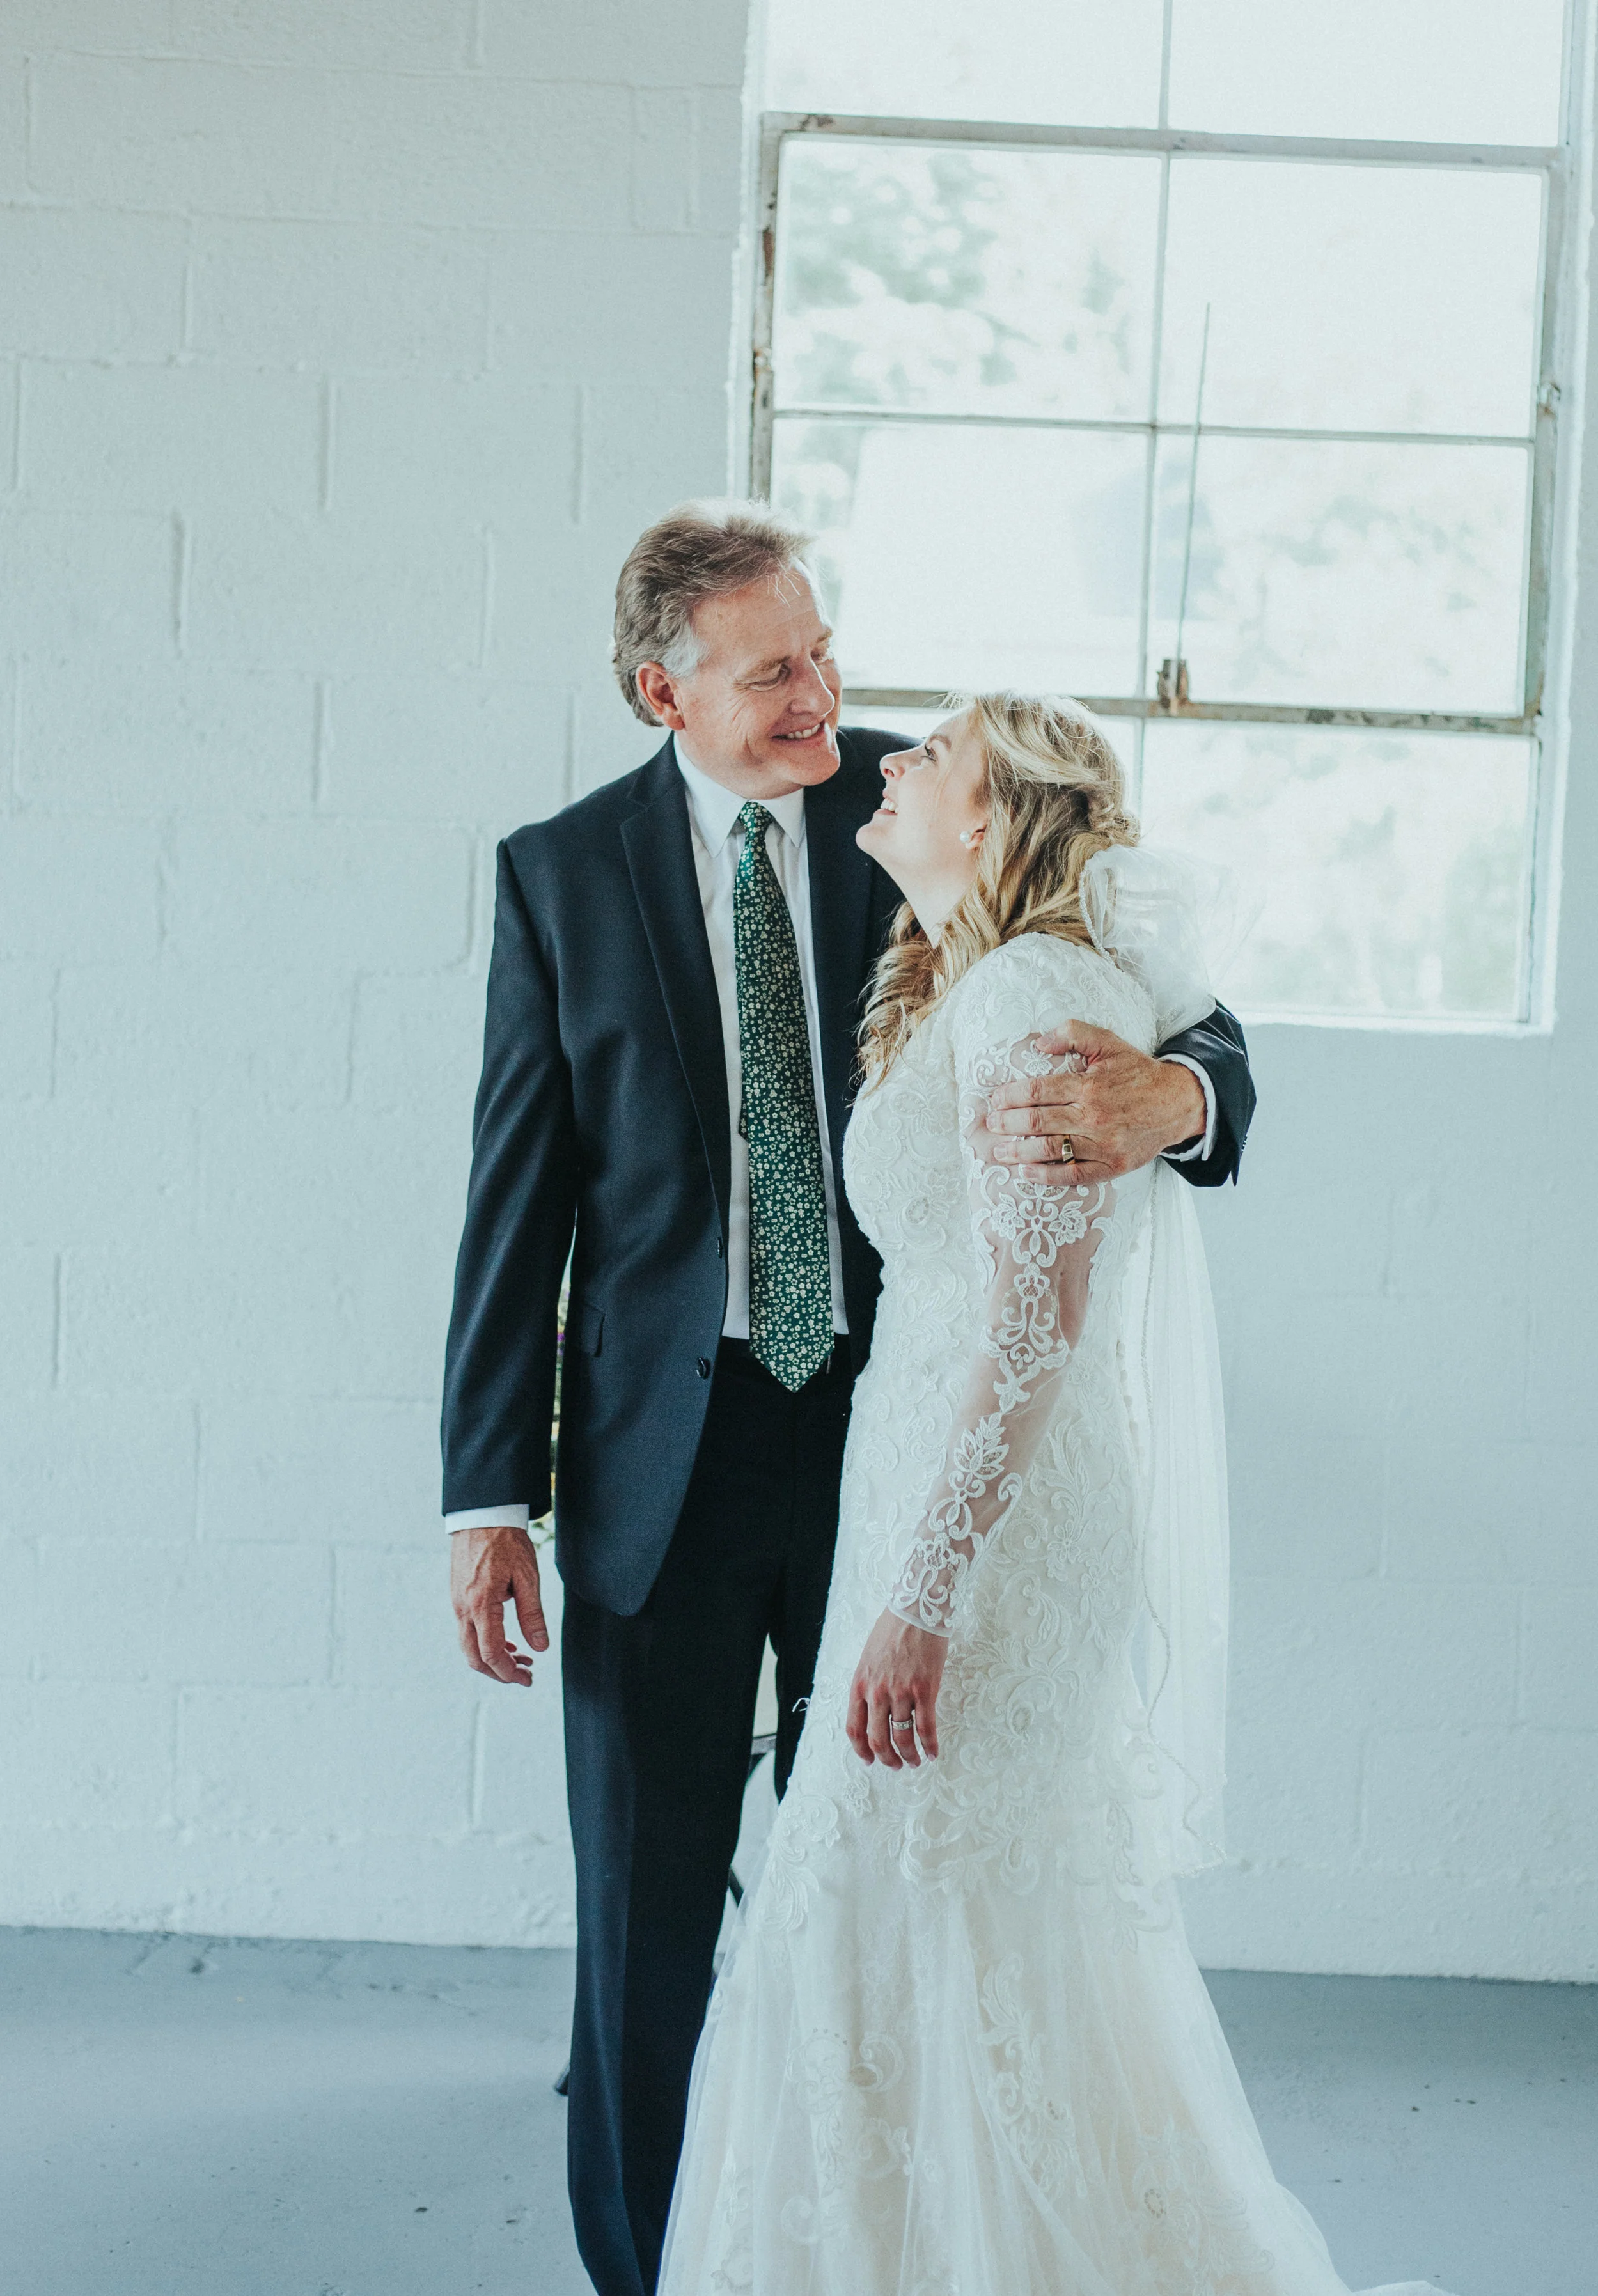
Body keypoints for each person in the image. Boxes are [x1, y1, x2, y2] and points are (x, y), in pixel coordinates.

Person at [439, 503, 1256, 2296]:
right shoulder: (558, 876)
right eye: (773, 668)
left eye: (822, 648)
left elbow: (1201, 1029)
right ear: (665, 687)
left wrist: (1169, 1104)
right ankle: (662, 2267)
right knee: (644, 1925)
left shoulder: (931, 798)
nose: (823, 693)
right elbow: (521, 1198)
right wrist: (486, 1492)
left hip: (909, 1447)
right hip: (662, 1455)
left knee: (901, 1907)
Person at [657, 694, 1448, 2296]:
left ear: (1000, 815)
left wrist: (921, 1594)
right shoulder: (958, 960)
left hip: (986, 1535)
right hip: (912, 1476)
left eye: (930, 755)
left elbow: (1033, 1327)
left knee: (945, 1898)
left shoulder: (1034, 991)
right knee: (905, 1906)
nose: (884, 759)